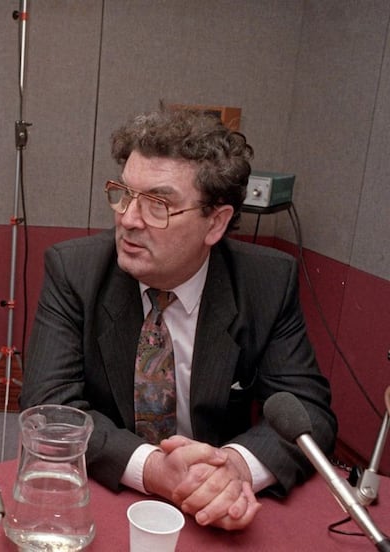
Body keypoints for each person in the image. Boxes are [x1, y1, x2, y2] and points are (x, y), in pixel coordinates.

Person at [19, 105, 336, 531]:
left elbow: (307, 410)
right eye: (123, 193)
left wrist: (236, 467)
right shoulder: (75, 272)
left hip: (221, 509)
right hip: (111, 501)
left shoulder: (266, 283)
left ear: (216, 223)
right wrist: (153, 470)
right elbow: (50, 408)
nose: (128, 219)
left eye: (158, 205)